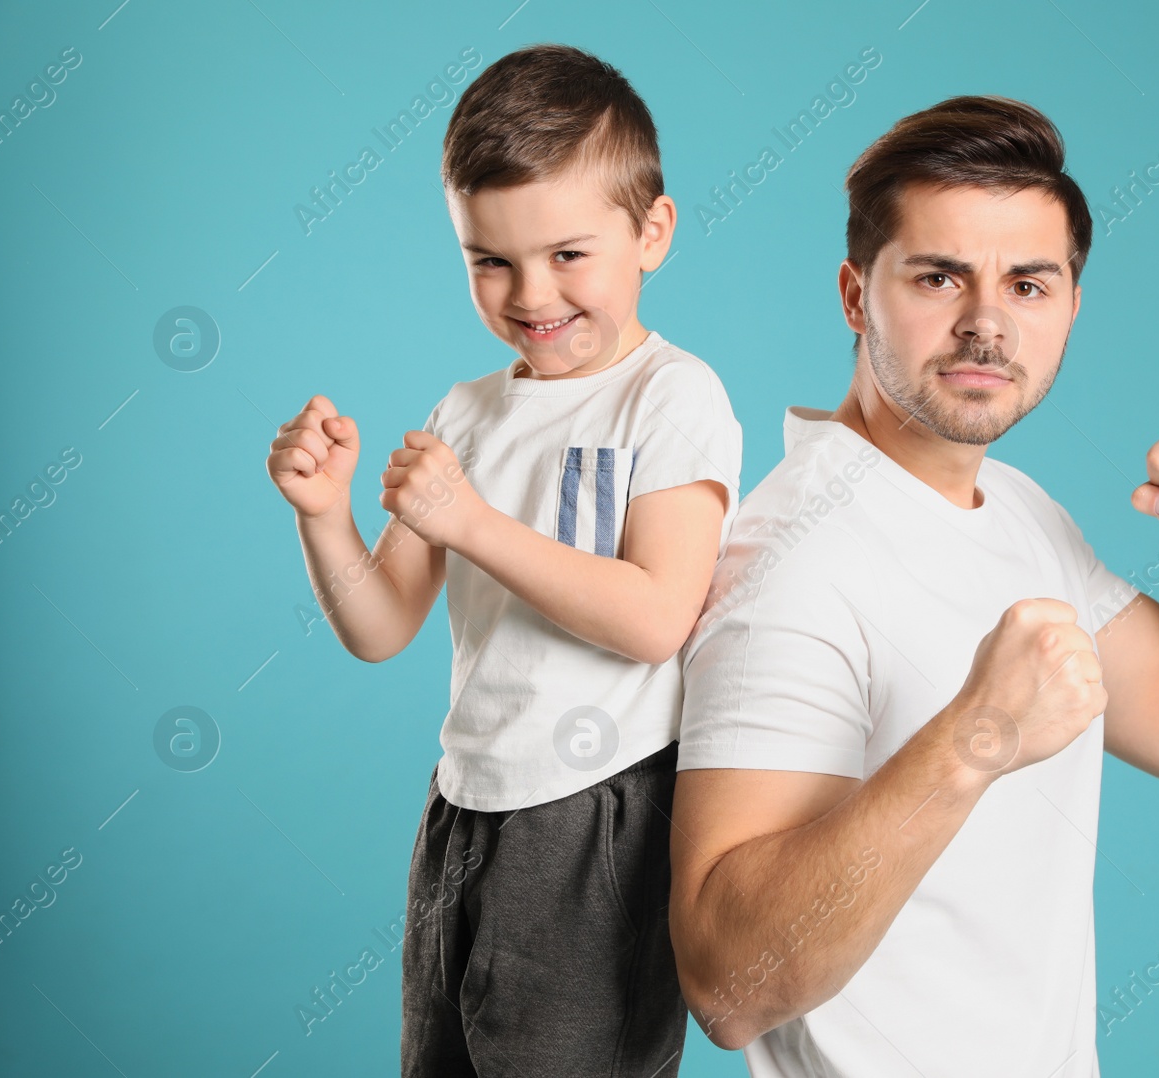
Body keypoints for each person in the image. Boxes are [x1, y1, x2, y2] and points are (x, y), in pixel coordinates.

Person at [670, 95, 1159, 1076]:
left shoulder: (1017, 512)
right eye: (938, 276)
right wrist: (974, 742)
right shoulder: (791, 563)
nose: (985, 323)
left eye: (1029, 284)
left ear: (1072, 305)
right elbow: (727, 987)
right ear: (853, 294)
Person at [263, 44, 743, 1078]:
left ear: (650, 231)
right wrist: (323, 516)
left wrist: (471, 521)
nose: (532, 293)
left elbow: (660, 614)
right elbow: (382, 623)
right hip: (463, 806)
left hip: (595, 814)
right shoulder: (466, 412)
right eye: (490, 259)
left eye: (569, 253)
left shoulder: (671, 396)